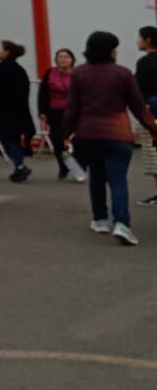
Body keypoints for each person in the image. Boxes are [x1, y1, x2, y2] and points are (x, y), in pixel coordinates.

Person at [66, 30, 157, 245]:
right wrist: (153, 129)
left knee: (96, 176)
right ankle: (122, 224)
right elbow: (138, 107)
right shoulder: (123, 73)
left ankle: (99, 220)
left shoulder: (79, 74)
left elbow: (71, 108)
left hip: (87, 133)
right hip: (117, 133)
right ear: (111, 51)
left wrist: (66, 133)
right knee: (117, 180)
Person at [0, 40, 35, 182]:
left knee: (7, 141)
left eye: (1, 49)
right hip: (19, 111)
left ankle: (20, 166)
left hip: (2, 112)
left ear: (7, 52)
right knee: (14, 139)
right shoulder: (20, 71)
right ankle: (19, 166)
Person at [38, 49, 86, 183]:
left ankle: (78, 167)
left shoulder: (78, 74)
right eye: (60, 57)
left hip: (75, 112)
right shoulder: (50, 73)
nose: (63, 59)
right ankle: (63, 167)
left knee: (77, 140)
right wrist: (42, 112)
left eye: (66, 57)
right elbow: (43, 93)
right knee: (57, 141)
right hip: (55, 111)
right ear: (56, 59)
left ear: (72, 60)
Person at [136, 27, 157, 207]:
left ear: (148, 40)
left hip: (152, 113)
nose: (138, 41)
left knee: (154, 155)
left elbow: (139, 91)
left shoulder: (144, 63)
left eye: (140, 38)